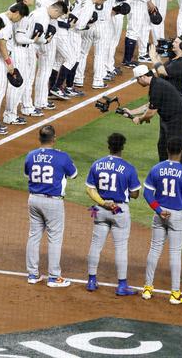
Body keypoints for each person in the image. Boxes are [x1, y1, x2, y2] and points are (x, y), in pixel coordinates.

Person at [142, 136, 182, 304]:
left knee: (154, 249)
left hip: (159, 214)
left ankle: (147, 288)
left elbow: (147, 193)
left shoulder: (156, 168)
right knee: (175, 253)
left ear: (167, 150)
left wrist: (159, 210)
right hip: (177, 216)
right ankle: (175, 294)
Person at [85, 132, 140, 295]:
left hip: (98, 209)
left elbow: (89, 189)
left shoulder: (97, 164)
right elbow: (135, 193)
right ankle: (122, 286)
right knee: (121, 248)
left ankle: (91, 281)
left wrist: (102, 202)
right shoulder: (128, 168)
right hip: (119, 210)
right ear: (122, 147)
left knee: (95, 244)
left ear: (109, 146)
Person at [24, 124, 77, 288]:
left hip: (33, 199)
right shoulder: (62, 157)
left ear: (39, 139)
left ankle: (32, 274)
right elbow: (74, 174)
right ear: (54, 139)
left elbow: (27, 174)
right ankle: (54, 277)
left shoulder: (31, 155)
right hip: (53, 202)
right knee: (54, 238)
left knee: (34, 236)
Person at [130, 64, 182, 166]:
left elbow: (151, 113)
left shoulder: (157, 86)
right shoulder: (155, 84)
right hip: (169, 120)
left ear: (143, 77)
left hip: (178, 120)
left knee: (175, 147)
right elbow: (149, 105)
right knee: (162, 145)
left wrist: (140, 119)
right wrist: (131, 112)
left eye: (137, 79)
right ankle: (164, 169)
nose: (137, 82)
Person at [147, 35, 182, 99]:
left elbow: (163, 71)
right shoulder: (174, 58)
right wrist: (157, 57)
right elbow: (161, 73)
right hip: (169, 97)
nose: (173, 44)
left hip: (176, 100)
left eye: (176, 42)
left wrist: (153, 57)